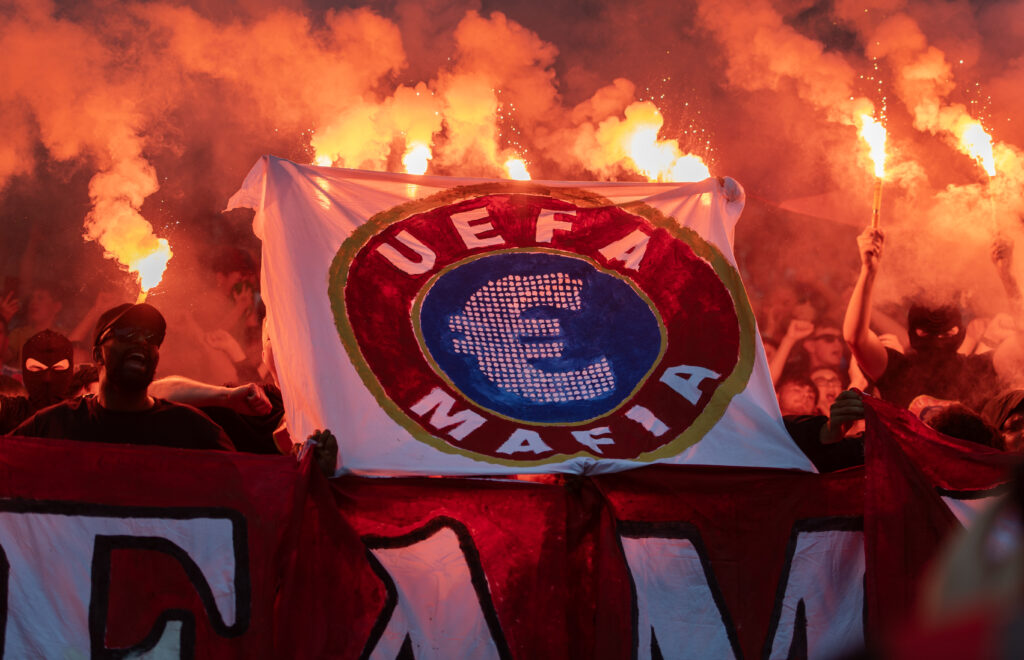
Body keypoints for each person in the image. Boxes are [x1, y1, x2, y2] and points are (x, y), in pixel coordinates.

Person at [10, 303, 234, 451]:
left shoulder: (193, 431)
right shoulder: (52, 427)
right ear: (98, 354)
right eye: (126, 333)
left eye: (151, 336)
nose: (141, 342)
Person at [843, 228, 1003, 411]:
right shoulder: (898, 370)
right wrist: (868, 271)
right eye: (926, 331)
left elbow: (1019, 348)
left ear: (956, 330)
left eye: (946, 333)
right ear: (916, 332)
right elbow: (855, 338)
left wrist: (1008, 278)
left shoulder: (979, 369)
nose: (938, 339)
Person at [0, 329, 75, 433]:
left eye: (58, 369)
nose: (47, 378)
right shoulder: (12, 411)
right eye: (36, 368)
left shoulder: (82, 415)